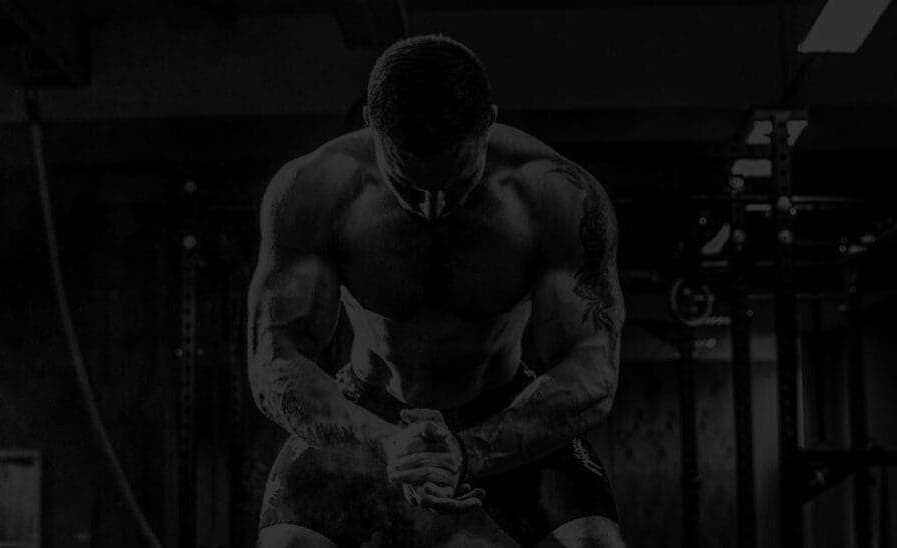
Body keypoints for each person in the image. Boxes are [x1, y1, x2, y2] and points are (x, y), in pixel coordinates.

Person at [246, 34, 626, 548]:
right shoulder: (315, 190)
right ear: (371, 125)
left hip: (504, 409)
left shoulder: (555, 195)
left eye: (455, 183)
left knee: (595, 544)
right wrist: (388, 443)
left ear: (488, 121)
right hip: (369, 410)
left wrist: (469, 450)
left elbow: (593, 364)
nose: (431, 207)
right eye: (407, 185)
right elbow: (275, 357)